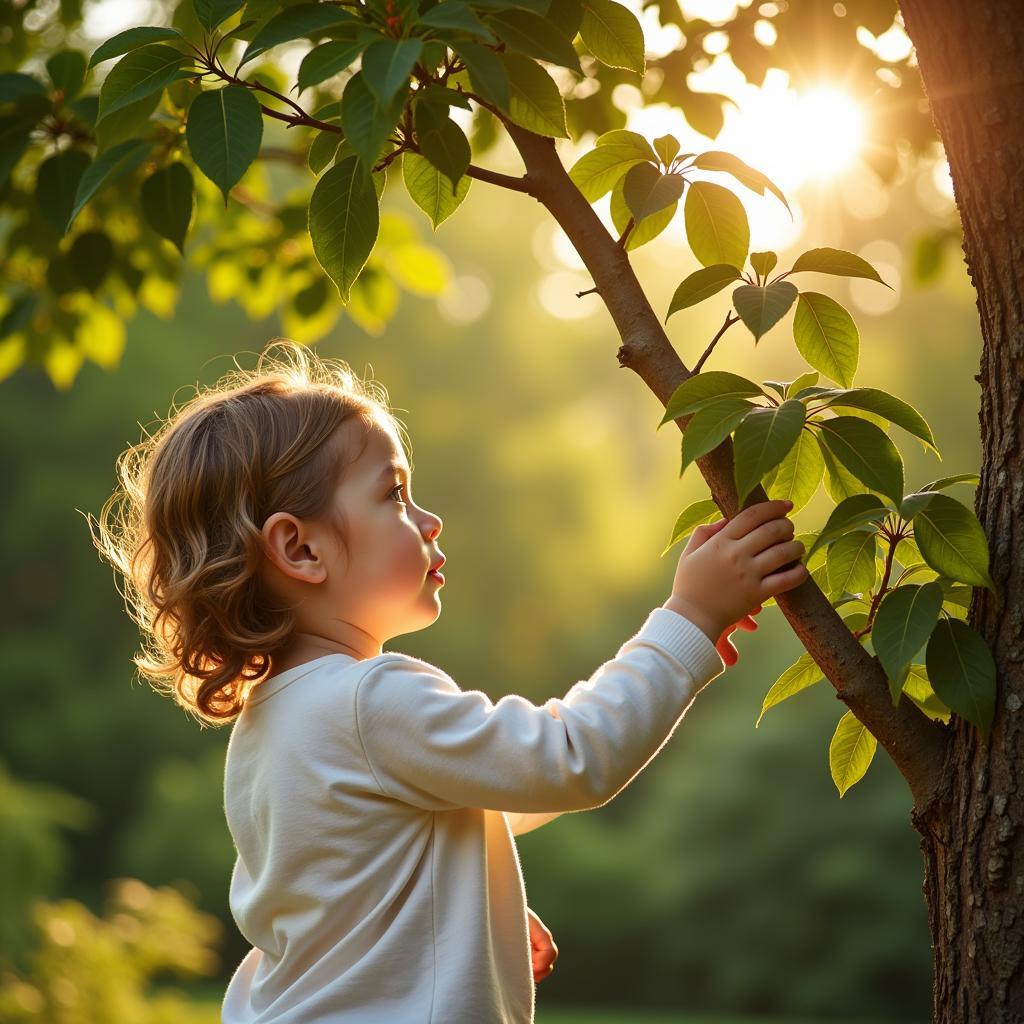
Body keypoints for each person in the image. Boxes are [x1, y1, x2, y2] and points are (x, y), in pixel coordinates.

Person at [89, 339, 808, 1023]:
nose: (429, 520)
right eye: (395, 495)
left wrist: (463, 905)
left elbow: (392, 860)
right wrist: (688, 617)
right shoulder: (369, 701)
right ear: (300, 548)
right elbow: (565, 758)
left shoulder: (270, 724)